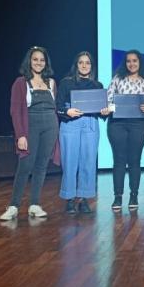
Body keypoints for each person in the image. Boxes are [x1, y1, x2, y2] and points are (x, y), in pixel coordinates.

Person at [0, 46, 60, 221]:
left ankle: (34, 204)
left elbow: (55, 107)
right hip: (30, 125)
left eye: (42, 60)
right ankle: (14, 206)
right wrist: (21, 135)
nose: (39, 63)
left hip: (50, 124)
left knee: (41, 166)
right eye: (35, 59)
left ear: (46, 63)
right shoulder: (21, 82)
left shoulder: (51, 82)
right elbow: (15, 110)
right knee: (25, 165)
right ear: (29, 61)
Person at [56, 51, 109, 214]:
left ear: (91, 66)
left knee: (88, 161)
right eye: (81, 62)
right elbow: (58, 106)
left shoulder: (97, 85)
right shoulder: (66, 82)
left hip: (90, 124)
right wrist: (67, 111)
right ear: (76, 65)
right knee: (69, 161)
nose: (84, 66)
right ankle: (70, 199)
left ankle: (84, 198)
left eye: (88, 63)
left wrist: (105, 111)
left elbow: (101, 110)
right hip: (71, 123)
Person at [106, 50, 144, 211]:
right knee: (119, 160)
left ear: (140, 62)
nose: (131, 64)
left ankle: (134, 195)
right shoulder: (117, 79)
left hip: (139, 124)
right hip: (117, 124)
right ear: (125, 63)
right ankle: (117, 197)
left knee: (134, 160)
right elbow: (109, 99)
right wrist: (110, 108)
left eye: (135, 61)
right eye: (128, 61)